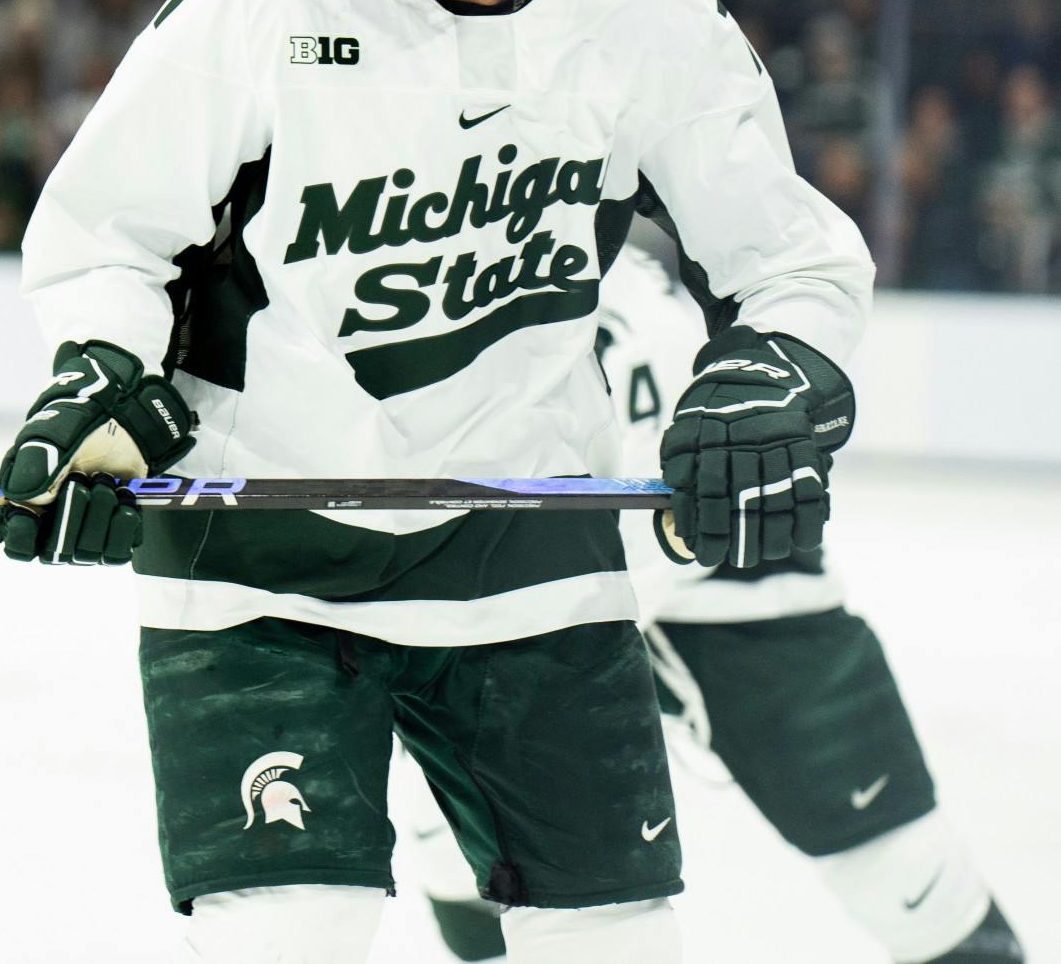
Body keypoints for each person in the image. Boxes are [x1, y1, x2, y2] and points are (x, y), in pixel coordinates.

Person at [0, 0, 873, 962]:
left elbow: (793, 262)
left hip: (523, 556)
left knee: (626, 943)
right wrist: (97, 383)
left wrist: (769, 377)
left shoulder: (647, 15)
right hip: (257, 563)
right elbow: (108, 229)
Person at [405, 245, 1024, 963]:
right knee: (462, 856)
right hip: (520, 588)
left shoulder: (625, 303)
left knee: (908, 876)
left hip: (723, 560)